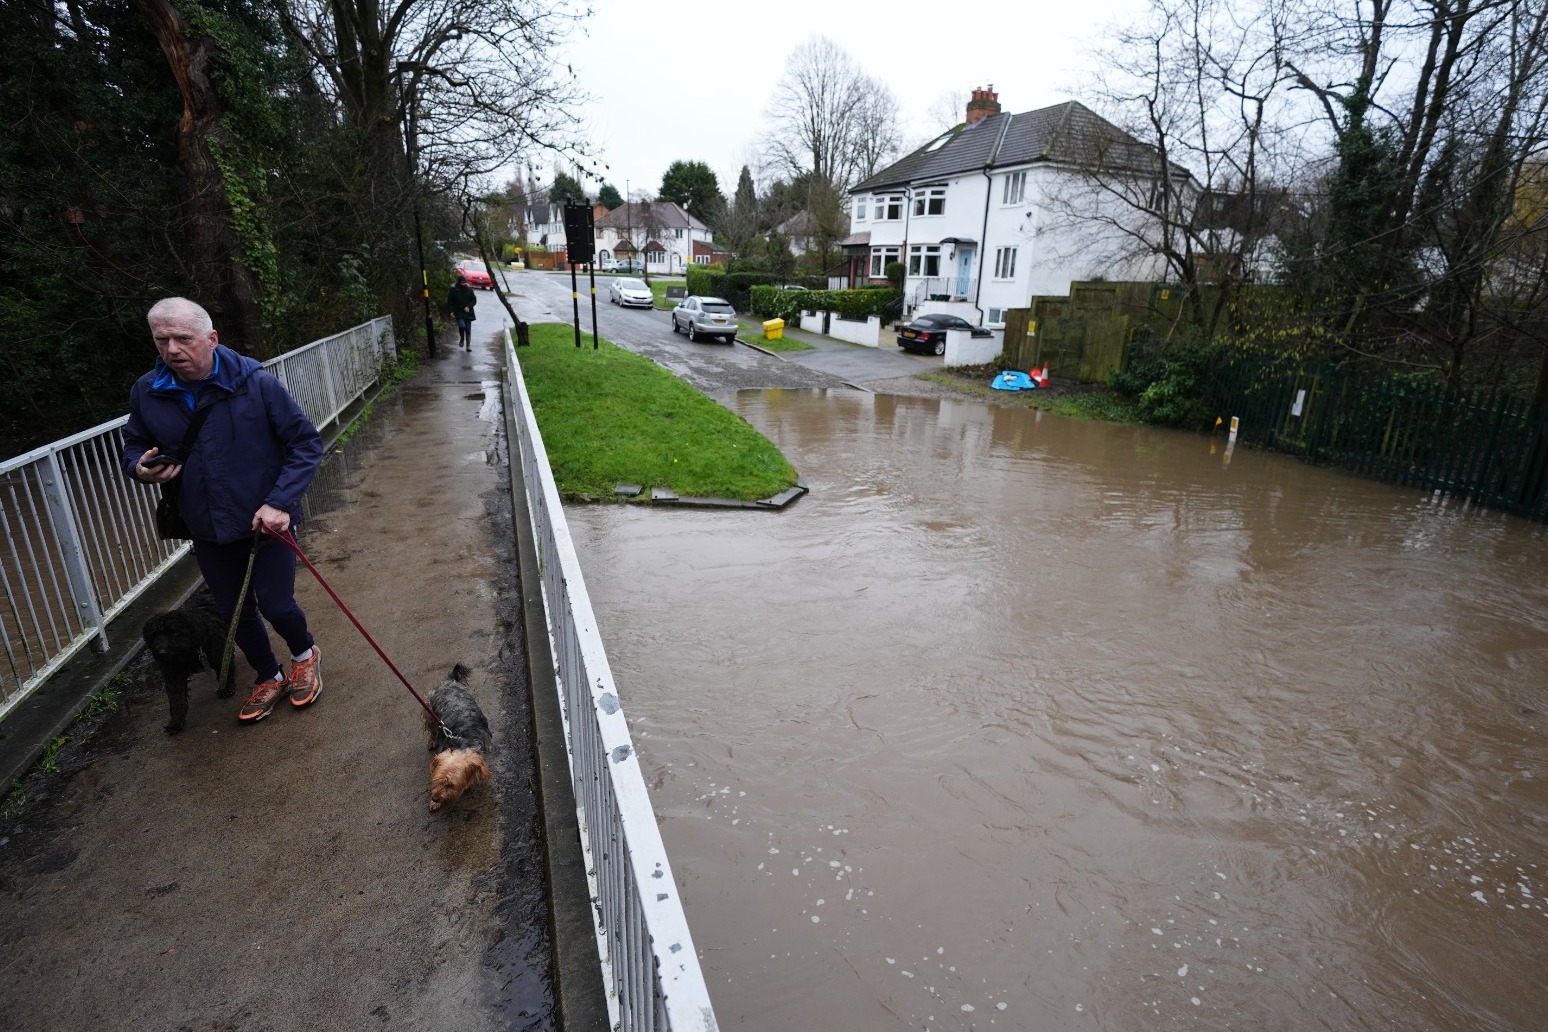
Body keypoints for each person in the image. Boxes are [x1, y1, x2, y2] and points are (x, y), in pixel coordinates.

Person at [123, 297, 325, 725]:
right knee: (235, 609)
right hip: (207, 525)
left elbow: (305, 444)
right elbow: (134, 445)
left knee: (276, 603)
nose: (172, 349)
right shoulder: (147, 391)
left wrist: (279, 502)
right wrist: (140, 467)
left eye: (183, 338)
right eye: (162, 340)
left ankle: (304, 656)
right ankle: (268, 675)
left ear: (211, 339)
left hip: (265, 522)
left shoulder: (257, 384)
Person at [447, 275, 477, 349]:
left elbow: (473, 300)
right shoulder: (453, 290)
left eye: (465, 282)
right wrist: (451, 311)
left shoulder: (469, 290)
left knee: (468, 328)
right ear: (458, 283)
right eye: (462, 283)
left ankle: (468, 346)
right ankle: (462, 338)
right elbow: (450, 301)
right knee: (462, 326)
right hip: (458, 311)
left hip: (468, 312)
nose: (463, 284)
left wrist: (469, 306)